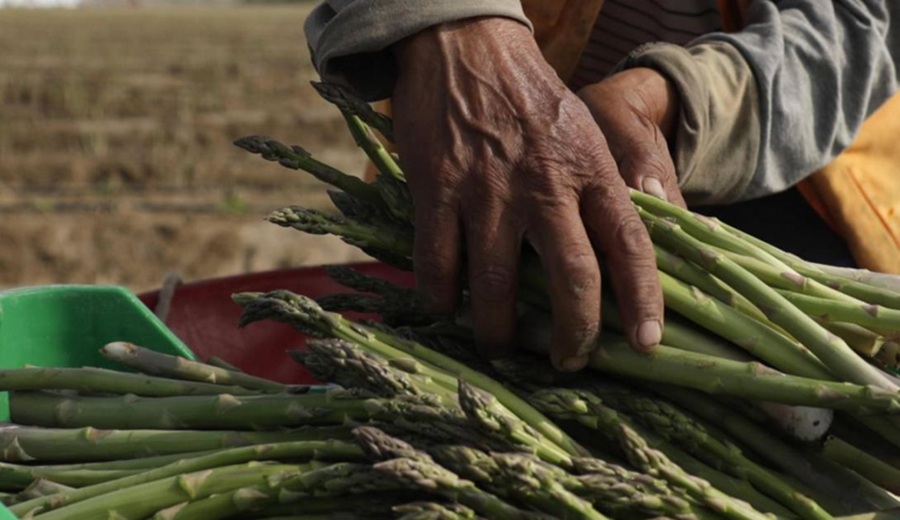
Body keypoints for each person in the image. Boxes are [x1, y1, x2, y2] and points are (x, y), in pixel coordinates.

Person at [303, 1, 900, 371]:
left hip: (800, 194)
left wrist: (677, 98)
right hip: (480, 175)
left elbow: (847, 31)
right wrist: (444, 16)